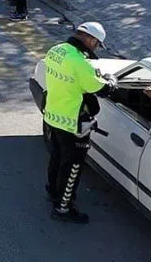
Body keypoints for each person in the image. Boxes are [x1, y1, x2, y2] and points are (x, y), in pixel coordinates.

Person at [43, 22, 116, 224]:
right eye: (97, 45)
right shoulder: (80, 63)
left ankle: (52, 190)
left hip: (52, 115)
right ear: (92, 40)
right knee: (73, 166)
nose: (96, 49)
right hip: (72, 124)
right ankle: (63, 208)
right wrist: (111, 80)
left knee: (57, 157)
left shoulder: (56, 50)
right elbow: (102, 90)